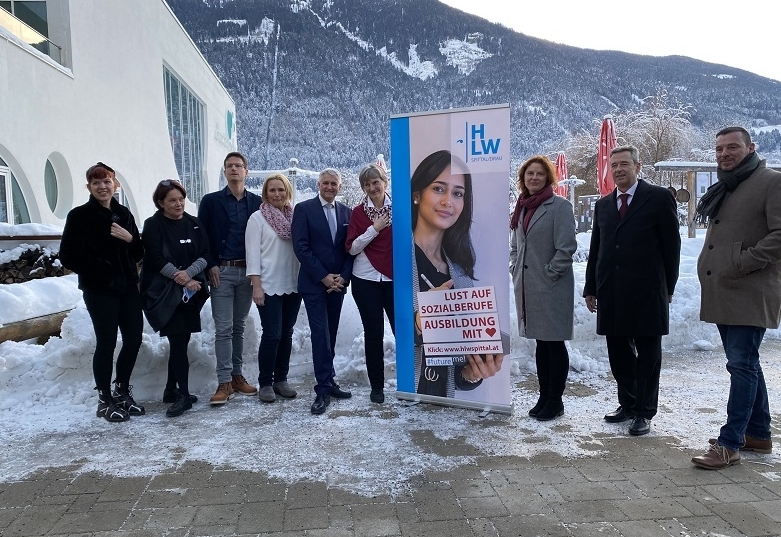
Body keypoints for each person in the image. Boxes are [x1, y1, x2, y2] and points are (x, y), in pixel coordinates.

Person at [691, 127, 781, 469]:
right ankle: (758, 434)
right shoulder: (729, 184)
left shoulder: (771, 181)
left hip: (750, 288)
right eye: (719, 149)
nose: (724, 154)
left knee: (741, 365)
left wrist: (742, 262)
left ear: (751, 147)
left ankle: (730, 443)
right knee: (746, 363)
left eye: (732, 147)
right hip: (725, 288)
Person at [584, 145, 680, 436]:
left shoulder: (659, 198)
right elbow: (596, 249)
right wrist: (591, 287)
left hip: (647, 291)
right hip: (611, 291)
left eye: (624, 164)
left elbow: (672, 247)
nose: (618, 170)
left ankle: (644, 411)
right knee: (618, 354)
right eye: (614, 165)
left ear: (638, 167)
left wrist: (668, 287)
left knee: (648, 356)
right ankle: (627, 403)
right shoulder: (603, 205)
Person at [411, 150, 503, 398]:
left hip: (443, 407)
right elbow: (379, 334)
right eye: (438, 189)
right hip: (400, 406)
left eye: (458, 193)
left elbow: (457, 370)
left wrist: (472, 373)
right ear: (417, 194)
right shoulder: (395, 259)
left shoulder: (460, 275)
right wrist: (421, 320)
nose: (448, 201)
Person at [60, 162, 145, 422]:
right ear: (88, 187)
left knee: (134, 339)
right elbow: (68, 256)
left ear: (115, 184)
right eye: (96, 182)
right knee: (106, 343)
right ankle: (104, 400)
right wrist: (103, 268)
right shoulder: (79, 216)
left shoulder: (124, 214)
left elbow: (139, 252)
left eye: (106, 181)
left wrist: (130, 239)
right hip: (99, 290)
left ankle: (122, 391)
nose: (102, 186)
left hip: (128, 287)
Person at [509, 156, 576, 421]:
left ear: (548, 178)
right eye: (529, 174)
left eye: (539, 174)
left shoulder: (560, 206)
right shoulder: (522, 207)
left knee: (554, 343)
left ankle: (555, 400)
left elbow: (566, 247)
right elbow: (516, 245)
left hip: (551, 286)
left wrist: (549, 274)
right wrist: (515, 266)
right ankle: (544, 395)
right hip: (528, 287)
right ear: (523, 179)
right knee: (541, 343)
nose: (534, 178)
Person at [140, 180, 209, 417]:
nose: (178, 204)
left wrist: (189, 274)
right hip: (165, 293)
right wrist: (182, 278)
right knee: (178, 341)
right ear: (161, 203)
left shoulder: (194, 223)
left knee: (181, 340)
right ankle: (183, 395)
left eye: (181, 199)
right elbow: (155, 258)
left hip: (190, 294)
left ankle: (171, 390)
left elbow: (205, 252)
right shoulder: (153, 225)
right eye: (172, 200)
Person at [197, 152, 261, 405]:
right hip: (221, 272)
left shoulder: (257, 202)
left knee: (238, 327)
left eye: (238, 165)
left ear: (246, 171)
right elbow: (202, 236)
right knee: (223, 329)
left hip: (247, 272)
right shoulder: (211, 201)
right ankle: (223, 381)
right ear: (224, 171)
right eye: (229, 166)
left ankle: (236, 376)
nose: (234, 169)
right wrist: (210, 264)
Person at [292, 168, 354, 415]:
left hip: (338, 284)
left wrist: (343, 277)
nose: (329, 187)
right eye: (325, 183)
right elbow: (301, 247)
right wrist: (324, 277)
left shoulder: (347, 212)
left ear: (339, 187)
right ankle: (323, 388)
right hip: (314, 284)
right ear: (318, 185)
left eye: (334, 184)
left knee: (331, 333)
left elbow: (350, 249)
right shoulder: (304, 209)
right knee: (320, 335)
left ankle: (329, 380)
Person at [245, 173, 302, 403]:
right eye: (272, 190)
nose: (277, 194)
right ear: (265, 193)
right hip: (268, 286)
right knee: (272, 334)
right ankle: (266, 383)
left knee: (286, 334)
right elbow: (252, 255)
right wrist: (256, 285)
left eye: (281, 189)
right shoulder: (257, 218)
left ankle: (281, 380)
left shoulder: (295, 217)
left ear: (287, 191)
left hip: (294, 284)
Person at [346, 164, 394, 404]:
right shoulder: (358, 213)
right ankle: (377, 387)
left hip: (395, 279)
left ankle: (413, 381)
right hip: (365, 280)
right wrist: (374, 229)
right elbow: (352, 247)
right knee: (373, 334)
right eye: (367, 184)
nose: (372, 187)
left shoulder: (401, 208)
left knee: (403, 331)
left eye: (376, 182)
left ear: (385, 182)